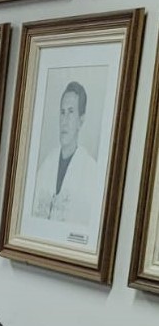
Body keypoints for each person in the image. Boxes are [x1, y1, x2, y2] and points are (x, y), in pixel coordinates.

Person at [31, 81, 101, 225]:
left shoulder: (91, 171)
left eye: (70, 112)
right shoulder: (47, 164)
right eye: (62, 113)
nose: (64, 120)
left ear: (81, 121)